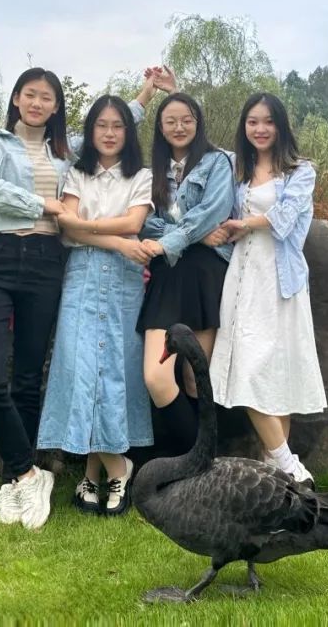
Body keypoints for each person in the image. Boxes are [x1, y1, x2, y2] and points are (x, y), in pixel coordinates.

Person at [0, 65, 173, 530]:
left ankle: (15, 478)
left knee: (28, 377)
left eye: (46, 97)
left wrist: (146, 94)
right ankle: (26, 473)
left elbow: (110, 127)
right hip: (0, 254)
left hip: (45, 262)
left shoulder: (65, 151)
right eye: (29, 94)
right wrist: (41, 204)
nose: (37, 103)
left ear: (56, 106)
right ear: (16, 98)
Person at [35, 95, 154, 516]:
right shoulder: (77, 172)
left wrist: (87, 226)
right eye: (101, 125)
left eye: (118, 126)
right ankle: (117, 467)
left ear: (128, 132)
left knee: (114, 369)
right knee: (81, 368)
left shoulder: (141, 175)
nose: (109, 133)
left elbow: (133, 223)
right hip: (83, 276)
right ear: (90, 131)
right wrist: (117, 241)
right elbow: (67, 229)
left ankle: (94, 472)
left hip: (122, 282)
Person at [206, 92, 326, 486]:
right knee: (246, 368)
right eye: (252, 121)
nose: (260, 129)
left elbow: (285, 218)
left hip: (280, 280)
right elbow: (197, 138)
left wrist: (243, 224)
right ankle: (289, 467)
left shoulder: (301, 171)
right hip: (242, 279)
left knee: (275, 374)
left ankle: (279, 472)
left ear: (281, 126)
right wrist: (173, 94)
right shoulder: (236, 167)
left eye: (268, 121)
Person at [135, 93, 235, 455]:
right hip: (168, 274)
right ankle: (200, 460)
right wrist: (194, 236)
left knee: (196, 378)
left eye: (187, 120)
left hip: (205, 274)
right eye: (171, 121)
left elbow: (215, 210)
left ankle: (198, 469)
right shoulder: (150, 173)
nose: (179, 127)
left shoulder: (218, 162)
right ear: (160, 128)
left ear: (198, 123)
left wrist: (173, 238)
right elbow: (144, 223)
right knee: (156, 377)